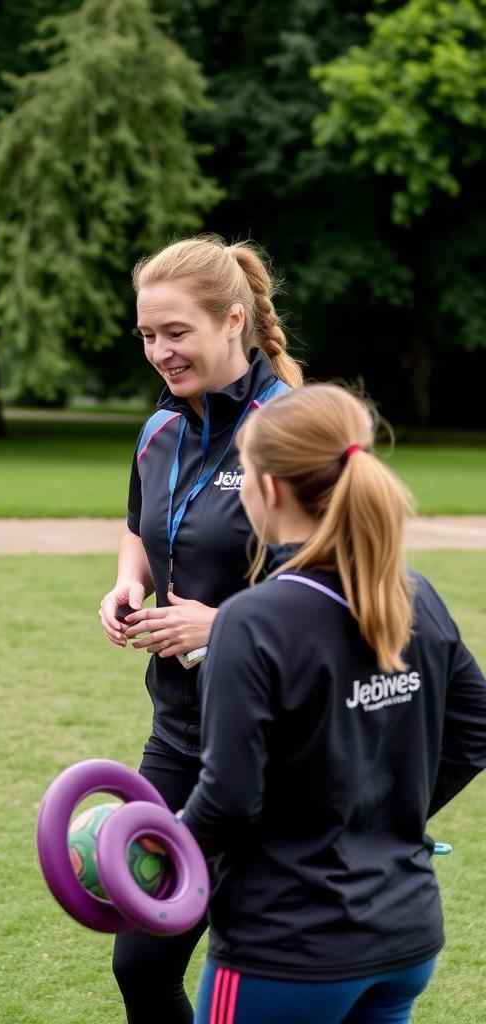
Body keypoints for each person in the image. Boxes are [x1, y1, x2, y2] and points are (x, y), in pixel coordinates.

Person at [182, 384, 486, 1024]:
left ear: (269, 490)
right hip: (402, 936)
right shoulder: (416, 594)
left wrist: (159, 849)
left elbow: (230, 798)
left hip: (286, 948)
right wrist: (375, 816)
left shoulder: (251, 620)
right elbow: (475, 730)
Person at [97, 235, 304, 1024]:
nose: (159, 352)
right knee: (141, 959)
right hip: (182, 731)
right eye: (148, 335)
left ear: (233, 321)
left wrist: (221, 626)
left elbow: (338, 592)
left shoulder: (288, 432)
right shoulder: (159, 431)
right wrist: (128, 580)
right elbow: (136, 526)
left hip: (279, 747)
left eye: (175, 332)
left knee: (254, 971)